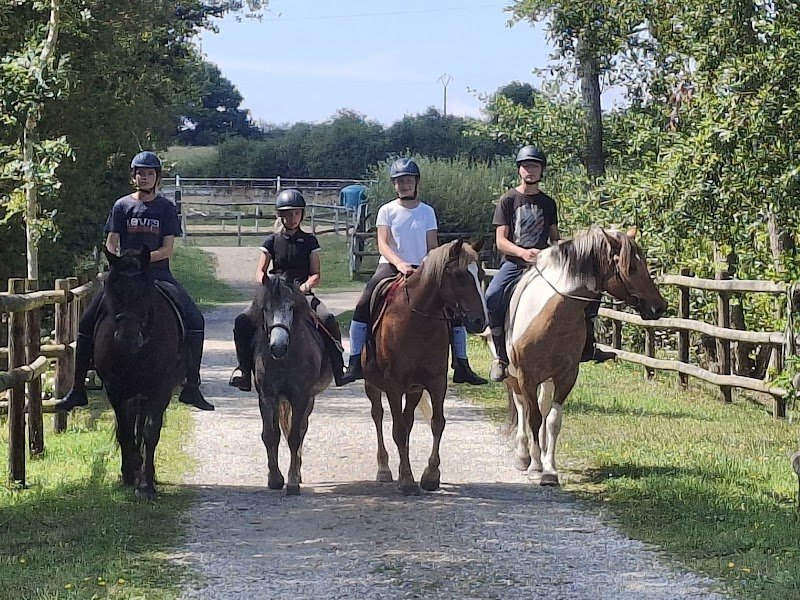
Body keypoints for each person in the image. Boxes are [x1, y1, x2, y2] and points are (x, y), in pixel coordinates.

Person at [55, 151, 214, 411]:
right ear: (134, 176)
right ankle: (78, 389)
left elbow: (167, 249)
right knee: (86, 322)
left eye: (150, 173)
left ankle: (192, 386)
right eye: (140, 173)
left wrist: (142, 261)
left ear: (157, 178)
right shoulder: (122, 206)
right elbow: (111, 240)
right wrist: (118, 261)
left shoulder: (165, 208)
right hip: (124, 275)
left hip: (156, 273)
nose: (145, 177)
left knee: (195, 318)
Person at [340, 157, 486, 385]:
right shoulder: (386, 210)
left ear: (416, 182)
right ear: (394, 184)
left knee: (452, 308)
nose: (404, 184)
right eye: (399, 181)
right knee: (363, 303)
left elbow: (431, 246)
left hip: (424, 270)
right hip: (389, 266)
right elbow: (383, 243)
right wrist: (399, 264)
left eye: (408, 180)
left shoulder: (427, 212)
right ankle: (355, 361)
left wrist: (427, 264)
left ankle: (462, 363)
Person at [485, 145, 615, 382]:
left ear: (541, 170)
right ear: (519, 170)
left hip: (546, 264)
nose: (530, 171)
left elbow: (554, 237)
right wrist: (523, 253)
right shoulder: (508, 200)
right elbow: (501, 241)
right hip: (515, 263)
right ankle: (501, 358)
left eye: (534, 166)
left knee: (589, 291)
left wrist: (574, 246)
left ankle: (588, 345)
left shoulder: (548, 202)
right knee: (493, 296)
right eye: (526, 166)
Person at [228, 188, 348, 391]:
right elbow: (260, 270)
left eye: (296, 213)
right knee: (242, 321)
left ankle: (338, 368)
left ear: (302, 214)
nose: (292, 218)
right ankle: (244, 369)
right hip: (275, 291)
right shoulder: (272, 241)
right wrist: (265, 282)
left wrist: (306, 286)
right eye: (287, 213)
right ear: (280, 215)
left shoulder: (310, 241)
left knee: (328, 319)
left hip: (301, 292)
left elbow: (316, 273)